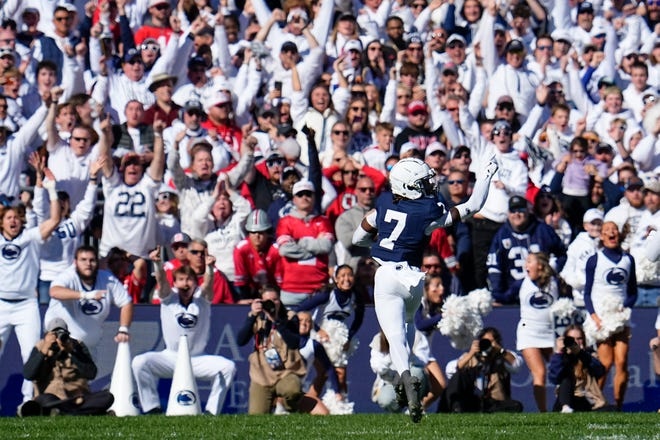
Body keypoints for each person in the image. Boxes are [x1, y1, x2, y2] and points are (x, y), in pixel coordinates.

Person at [352, 156, 498, 422]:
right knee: (408, 325)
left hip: (386, 275)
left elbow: (357, 238)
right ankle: (405, 376)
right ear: (409, 186)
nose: (430, 186)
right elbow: (474, 204)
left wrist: (380, 238)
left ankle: (404, 377)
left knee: (394, 335)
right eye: (423, 182)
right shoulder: (429, 212)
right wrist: (486, 174)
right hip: (413, 280)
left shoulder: (384, 203)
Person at [132, 247, 236, 415]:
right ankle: (152, 408)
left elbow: (208, 285)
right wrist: (157, 265)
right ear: (175, 283)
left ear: (195, 283)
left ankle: (211, 412)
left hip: (197, 359)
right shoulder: (168, 297)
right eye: (181, 280)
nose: (185, 284)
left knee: (228, 367)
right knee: (139, 363)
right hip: (171, 358)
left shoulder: (201, 299)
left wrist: (209, 268)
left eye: (189, 280)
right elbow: (162, 282)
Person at [0, 170, 62, 403]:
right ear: (2, 221)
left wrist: (52, 190)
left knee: (32, 356)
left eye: (17, 217)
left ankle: (28, 403)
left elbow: (54, 220)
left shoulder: (32, 238)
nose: (13, 220)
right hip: (1, 304)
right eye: (9, 217)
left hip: (27, 305)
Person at [584, 221, 637, 409]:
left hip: (621, 318)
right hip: (601, 318)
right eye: (607, 231)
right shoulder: (594, 260)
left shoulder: (628, 260)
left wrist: (625, 307)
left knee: (622, 361)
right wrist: (594, 316)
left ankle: (618, 404)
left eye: (614, 230)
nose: (611, 233)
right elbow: (587, 292)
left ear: (618, 234)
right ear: (602, 236)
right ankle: (595, 403)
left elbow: (632, 292)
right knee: (605, 363)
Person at [45, 245, 133, 360]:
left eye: (92, 260)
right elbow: (54, 291)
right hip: (62, 345)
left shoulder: (107, 279)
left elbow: (126, 302)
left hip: (88, 348)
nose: (88, 264)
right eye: (83, 260)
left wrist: (123, 329)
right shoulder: (68, 276)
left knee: (87, 376)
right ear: (75, 262)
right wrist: (85, 295)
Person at [19, 318, 113, 417]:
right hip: (51, 398)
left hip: (76, 399)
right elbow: (28, 374)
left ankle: (62, 412)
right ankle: (83, 413)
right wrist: (45, 350)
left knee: (107, 397)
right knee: (44, 400)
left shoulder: (77, 346)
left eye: (61, 334)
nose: (58, 338)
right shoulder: (40, 346)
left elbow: (91, 373)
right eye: (54, 335)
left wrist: (72, 352)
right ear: (47, 335)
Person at [294, 265, 365, 395]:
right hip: (322, 337)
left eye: (349, 275)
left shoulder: (356, 296)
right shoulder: (327, 295)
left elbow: (358, 320)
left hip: (340, 339)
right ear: (336, 279)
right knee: (325, 373)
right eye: (342, 275)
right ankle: (315, 403)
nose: (346, 279)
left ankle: (340, 405)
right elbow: (301, 309)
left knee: (339, 375)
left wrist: (349, 337)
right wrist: (316, 329)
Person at [236, 285, 306, 414]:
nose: (272, 304)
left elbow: (294, 343)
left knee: (293, 390)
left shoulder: (290, 317)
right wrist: (252, 316)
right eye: (267, 301)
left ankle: (289, 409)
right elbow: (240, 341)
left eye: (275, 300)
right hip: (261, 376)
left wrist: (277, 321)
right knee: (256, 419)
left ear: (280, 300)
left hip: (286, 372)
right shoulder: (257, 318)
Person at [276, 180, 334, 307]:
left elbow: (326, 246)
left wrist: (298, 242)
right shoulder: (285, 222)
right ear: (294, 199)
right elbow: (285, 250)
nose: (304, 197)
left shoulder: (323, 221)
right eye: (300, 194)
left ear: (314, 197)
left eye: (308, 194)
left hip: (319, 289)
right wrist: (315, 245)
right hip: (291, 290)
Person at [438, 327, 524, 413]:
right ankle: (456, 409)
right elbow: (451, 371)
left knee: (516, 406)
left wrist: (500, 350)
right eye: (485, 341)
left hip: (493, 402)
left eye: (491, 341)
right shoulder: (470, 357)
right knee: (459, 375)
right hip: (472, 400)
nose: (487, 344)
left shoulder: (501, 357)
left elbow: (517, 365)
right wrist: (471, 353)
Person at [516, 253, 561, 412]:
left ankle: (563, 406)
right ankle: (544, 413)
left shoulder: (554, 283)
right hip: (529, 332)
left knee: (561, 371)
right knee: (540, 373)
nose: (525, 265)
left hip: (551, 333)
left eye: (529, 262)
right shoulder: (524, 283)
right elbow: (505, 292)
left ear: (540, 266)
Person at [548, 324, 607, 413]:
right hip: (566, 399)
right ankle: (566, 409)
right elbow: (554, 378)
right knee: (566, 379)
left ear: (583, 340)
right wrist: (559, 352)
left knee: (611, 410)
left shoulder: (589, 354)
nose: (575, 342)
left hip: (586, 399)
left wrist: (581, 353)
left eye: (579, 339)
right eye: (572, 339)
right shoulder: (561, 357)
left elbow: (600, 371)